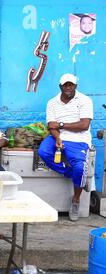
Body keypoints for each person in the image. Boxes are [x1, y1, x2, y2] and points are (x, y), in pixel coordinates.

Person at [38, 73, 93, 221]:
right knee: (43, 151)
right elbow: (51, 126)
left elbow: (84, 125)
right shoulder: (52, 103)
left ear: (76, 86)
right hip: (59, 136)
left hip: (79, 140)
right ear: (60, 86)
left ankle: (75, 200)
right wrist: (57, 138)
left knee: (80, 167)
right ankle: (76, 177)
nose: (68, 87)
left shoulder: (85, 100)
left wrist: (61, 125)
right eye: (65, 85)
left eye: (71, 85)